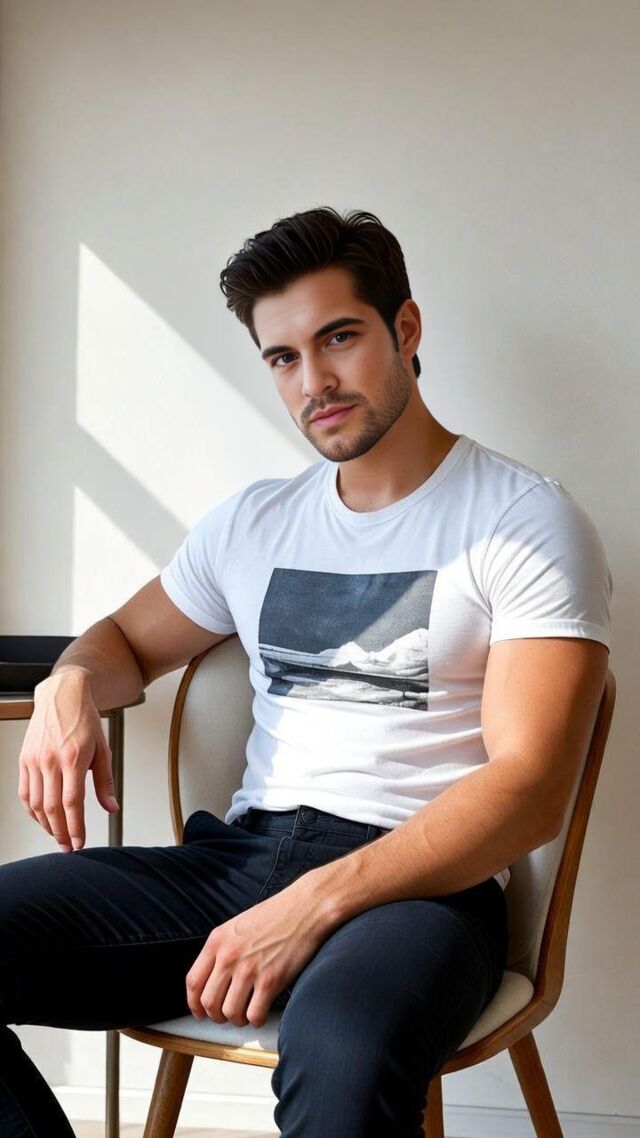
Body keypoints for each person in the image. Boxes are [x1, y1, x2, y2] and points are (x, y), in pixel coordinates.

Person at [2, 207, 611, 1138]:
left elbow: (531, 789)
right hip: (240, 862)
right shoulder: (254, 523)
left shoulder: (523, 521)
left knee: (342, 1049)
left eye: (339, 338)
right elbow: (123, 640)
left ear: (405, 329)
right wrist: (71, 682)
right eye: (283, 357)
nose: (313, 382)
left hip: (422, 888)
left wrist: (313, 905)